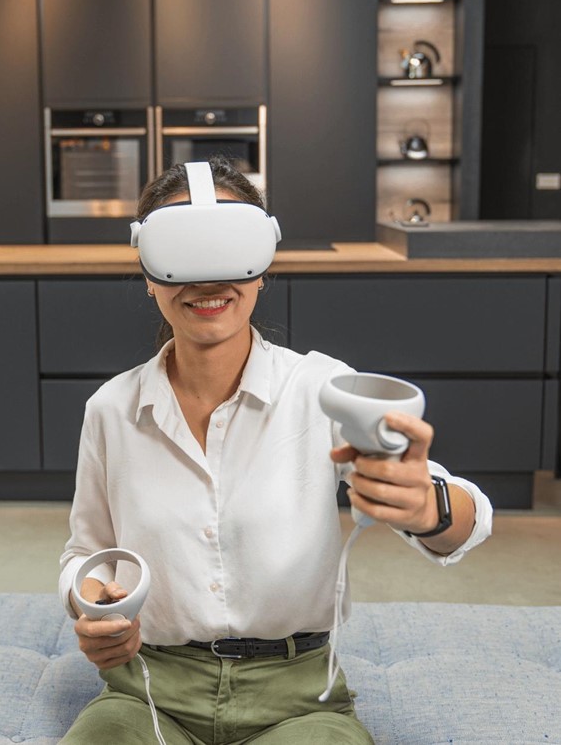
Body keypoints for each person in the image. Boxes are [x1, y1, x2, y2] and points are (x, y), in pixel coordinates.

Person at [59, 156, 493, 744]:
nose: (208, 280)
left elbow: (466, 521)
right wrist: (92, 606)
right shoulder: (111, 409)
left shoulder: (322, 389)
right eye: (182, 253)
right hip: (149, 692)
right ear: (148, 272)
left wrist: (427, 507)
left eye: (231, 249)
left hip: (299, 700)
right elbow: (86, 553)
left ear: (263, 267)